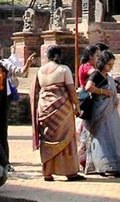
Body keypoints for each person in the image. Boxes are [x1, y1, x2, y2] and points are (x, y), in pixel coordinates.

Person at [32, 45, 82, 181]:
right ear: (59, 55)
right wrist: (77, 106)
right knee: (66, 138)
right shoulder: (63, 69)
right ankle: (70, 172)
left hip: (43, 108)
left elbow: (36, 91)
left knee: (47, 139)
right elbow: (71, 90)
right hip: (62, 109)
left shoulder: (40, 71)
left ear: (47, 56)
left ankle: (47, 173)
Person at [83, 50, 120, 177]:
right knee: (101, 140)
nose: (111, 67)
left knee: (113, 139)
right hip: (100, 113)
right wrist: (104, 92)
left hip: (111, 113)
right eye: (109, 64)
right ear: (103, 63)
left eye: (112, 64)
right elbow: (88, 87)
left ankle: (116, 165)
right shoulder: (96, 74)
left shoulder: (108, 77)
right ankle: (103, 166)